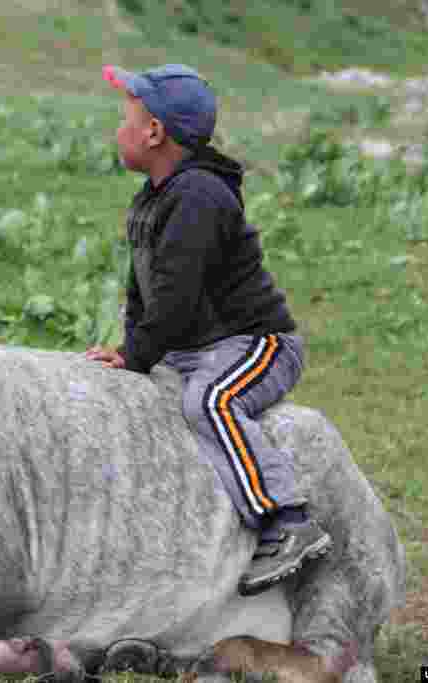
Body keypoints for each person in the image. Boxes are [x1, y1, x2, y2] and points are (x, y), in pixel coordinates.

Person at [86, 64, 332, 596]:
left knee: (210, 402)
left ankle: (285, 519)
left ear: (153, 133)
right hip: (195, 347)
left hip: (254, 343)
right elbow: (145, 288)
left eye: (125, 118)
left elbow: (174, 302)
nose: (117, 128)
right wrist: (130, 350)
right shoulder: (155, 196)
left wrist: (138, 354)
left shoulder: (199, 195)